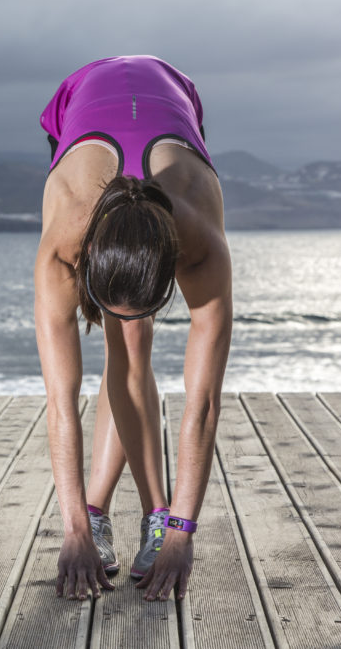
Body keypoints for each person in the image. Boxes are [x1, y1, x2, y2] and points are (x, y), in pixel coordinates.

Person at [34, 56, 233, 603]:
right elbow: (60, 399)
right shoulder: (62, 243)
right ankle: (96, 515)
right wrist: (71, 526)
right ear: (87, 260)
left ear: (174, 267)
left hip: (175, 94)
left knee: (134, 340)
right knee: (124, 341)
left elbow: (205, 402)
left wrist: (182, 532)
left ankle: (157, 515)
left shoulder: (203, 246)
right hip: (79, 99)